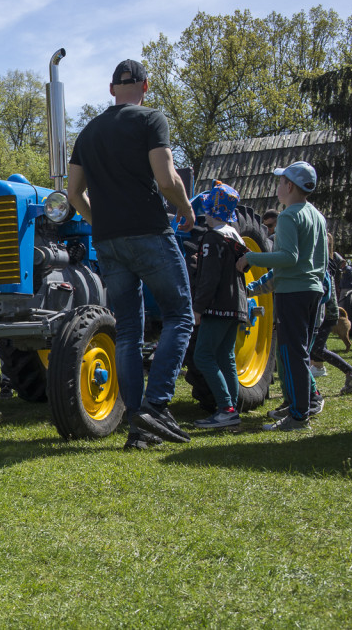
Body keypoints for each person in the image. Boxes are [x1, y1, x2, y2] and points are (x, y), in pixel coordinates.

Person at [67, 58, 195, 450]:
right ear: (145, 86)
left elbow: (73, 194)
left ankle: (139, 430)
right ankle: (155, 406)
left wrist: (99, 221)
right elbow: (165, 177)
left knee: (127, 332)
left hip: (107, 242)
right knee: (179, 315)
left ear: (111, 90)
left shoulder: (87, 131)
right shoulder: (150, 119)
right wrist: (186, 208)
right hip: (149, 232)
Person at [236, 161, 327, 431]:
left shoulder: (289, 216)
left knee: (290, 354)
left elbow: (288, 258)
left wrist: (250, 257)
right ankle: (301, 402)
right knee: (299, 352)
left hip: (293, 295)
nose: (277, 186)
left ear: (289, 186)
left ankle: (299, 416)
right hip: (312, 292)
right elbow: (305, 264)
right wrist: (255, 288)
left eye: (280, 181)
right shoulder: (317, 216)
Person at [191, 182, 248, 429]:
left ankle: (226, 408)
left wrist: (198, 307)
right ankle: (232, 409)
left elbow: (209, 278)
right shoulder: (234, 236)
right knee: (226, 357)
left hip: (217, 306)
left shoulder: (211, 239)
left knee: (203, 356)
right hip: (236, 306)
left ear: (210, 210)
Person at [309, 233, 352, 395]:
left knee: (315, 348)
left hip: (327, 312)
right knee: (314, 348)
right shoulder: (327, 262)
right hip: (326, 311)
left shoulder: (326, 263)